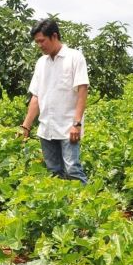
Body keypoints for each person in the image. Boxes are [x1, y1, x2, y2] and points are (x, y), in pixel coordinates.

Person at [19, 18, 89, 184]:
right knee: (54, 172)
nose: (39, 45)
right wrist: (26, 126)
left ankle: (83, 207)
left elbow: (82, 90)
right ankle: (63, 207)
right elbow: (36, 96)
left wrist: (76, 124)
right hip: (47, 128)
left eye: (42, 41)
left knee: (72, 169)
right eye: (37, 42)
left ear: (54, 36)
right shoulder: (41, 63)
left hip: (68, 127)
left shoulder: (74, 57)